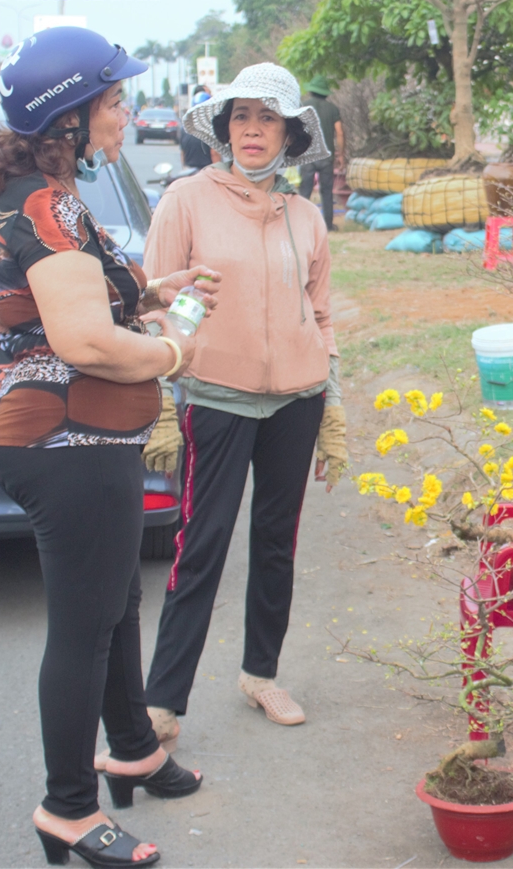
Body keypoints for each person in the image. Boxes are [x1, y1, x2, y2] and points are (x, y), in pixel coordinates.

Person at [0, 26, 217, 868]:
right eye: (115, 100)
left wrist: (154, 290)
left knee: (118, 603)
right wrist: (173, 353)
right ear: (69, 118)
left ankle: (134, 748)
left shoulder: (49, 195)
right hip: (64, 438)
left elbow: (85, 297)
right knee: (85, 625)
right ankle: (68, 809)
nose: (127, 112)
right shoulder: (43, 206)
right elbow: (82, 340)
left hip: (89, 432)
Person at [141, 63, 349, 737]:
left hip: (297, 399)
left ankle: (262, 674)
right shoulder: (187, 200)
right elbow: (157, 305)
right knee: (201, 545)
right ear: (223, 130)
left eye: (267, 119)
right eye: (241, 117)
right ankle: (164, 701)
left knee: (276, 545)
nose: (252, 130)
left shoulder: (306, 217)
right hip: (216, 396)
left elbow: (320, 316)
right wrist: (163, 395)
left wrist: (333, 404)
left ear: (289, 135)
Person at [296, 75, 342, 230]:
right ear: (325, 92)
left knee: (305, 191)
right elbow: (339, 132)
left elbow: (296, 129)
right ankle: (328, 225)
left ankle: (301, 225)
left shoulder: (303, 107)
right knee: (327, 191)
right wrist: (340, 154)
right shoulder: (333, 109)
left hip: (307, 155)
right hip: (326, 156)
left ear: (311, 91)